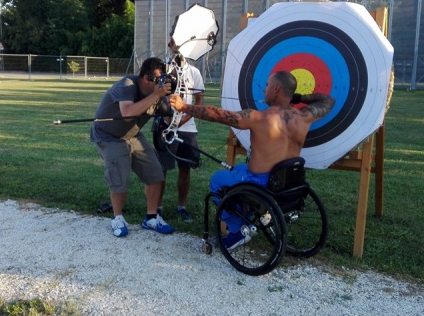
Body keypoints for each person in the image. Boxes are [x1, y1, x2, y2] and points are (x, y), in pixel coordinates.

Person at [168, 70, 335, 247]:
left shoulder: (258, 117)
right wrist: (299, 97)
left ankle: (238, 229)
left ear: (276, 89)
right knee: (238, 168)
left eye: (268, 86)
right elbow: (328, 101)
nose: (264, 90)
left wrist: (184, 107)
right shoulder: (304, 116)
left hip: (260, 184)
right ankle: (254, 213)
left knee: (217, 180)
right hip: (286, 183)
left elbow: (216, 114)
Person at [90, 57, 175, 237]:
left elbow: (169, 114)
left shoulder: (157, 94)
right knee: (119, 175)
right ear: (146, 78)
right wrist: (156, 95)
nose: (162, 84)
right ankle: (118, 218)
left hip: (132, 134)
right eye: (159, 80)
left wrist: (176, 106)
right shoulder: (127, 85)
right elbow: (127, 113)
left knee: (155, 172)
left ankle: (151, 218)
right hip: (109, 136)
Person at [154, 45, 205, 223]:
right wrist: (167, 118)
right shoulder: (163, 69)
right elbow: (156, 95)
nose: (176, 46)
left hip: (187, 128)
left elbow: (199, 100)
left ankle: (181, 207)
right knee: (162, 169)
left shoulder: (194, 72)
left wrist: (185, 118)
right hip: (165, 126)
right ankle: (157, 207)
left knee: (185, 169)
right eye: (173, 42)